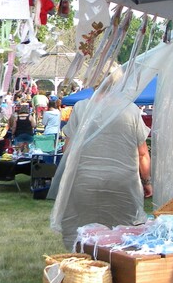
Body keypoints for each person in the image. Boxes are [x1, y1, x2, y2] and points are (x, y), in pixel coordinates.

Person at [57, 67, 152, 249]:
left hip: (85, 181)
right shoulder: (130, 110)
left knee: (84, 231)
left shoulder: (80, 108)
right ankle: (119, 271)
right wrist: (147, 181)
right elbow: (142, 154)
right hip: (123, 182)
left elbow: (68, 149)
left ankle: (87, 268)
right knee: (123, 234)